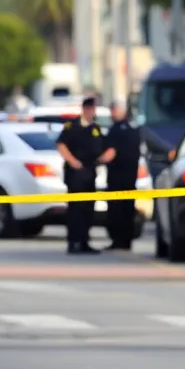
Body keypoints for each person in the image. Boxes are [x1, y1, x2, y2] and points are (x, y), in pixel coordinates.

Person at [56, 96, 107, 254]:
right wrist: (73, 162)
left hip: (90, 172)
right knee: (75, 210)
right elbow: (61, 144)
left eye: (94, 109)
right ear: (84, 109)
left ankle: (84, 241)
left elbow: (101, 146)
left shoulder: (96, 127)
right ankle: (73, 242)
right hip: (75, 174)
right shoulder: (72, 126)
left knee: (88, 209)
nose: (92, 112)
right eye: (90, 109)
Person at [100, 100, 141, 251]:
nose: (112, 113)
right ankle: (126, 242)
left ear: (120, 111)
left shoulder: (115, 130)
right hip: (131, 178)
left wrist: (94, 162)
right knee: (128, 209)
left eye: (113, 110)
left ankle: (117, 241)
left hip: (117, 178)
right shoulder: (134, 129)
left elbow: (110, 153)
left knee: (116, 211)